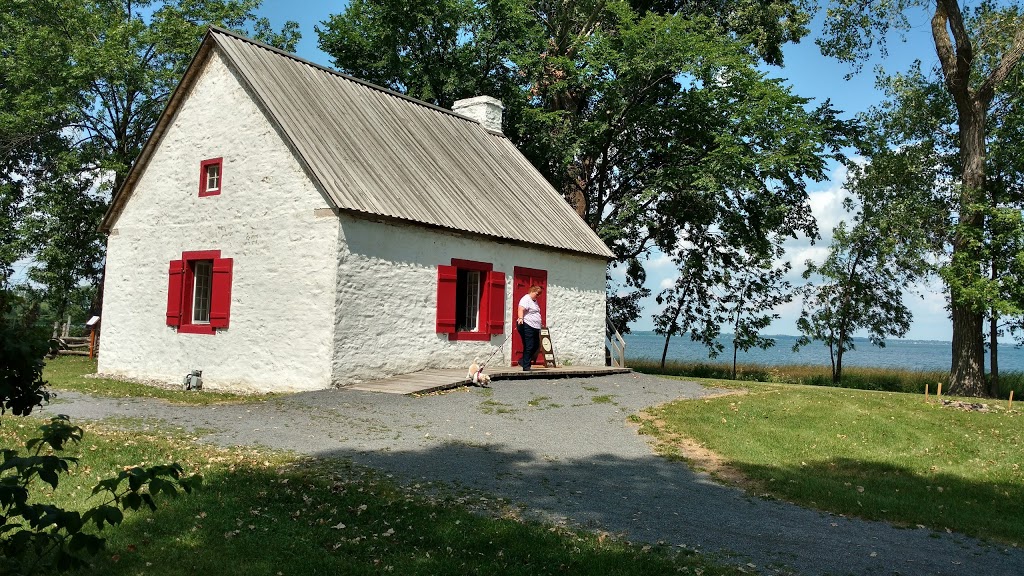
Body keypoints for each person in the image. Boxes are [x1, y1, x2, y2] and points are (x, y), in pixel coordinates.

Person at [516, 285, 543, 371]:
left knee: (536, 345)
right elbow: (521, 309)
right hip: (527, 325)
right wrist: (520, 318)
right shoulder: (526, 299)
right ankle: (526, 366)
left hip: (535, 327)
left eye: (539, 294)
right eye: (537, 294)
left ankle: (523, 361)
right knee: (529, 345)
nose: (538, 296)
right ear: (532, 291)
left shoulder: (534, 301)